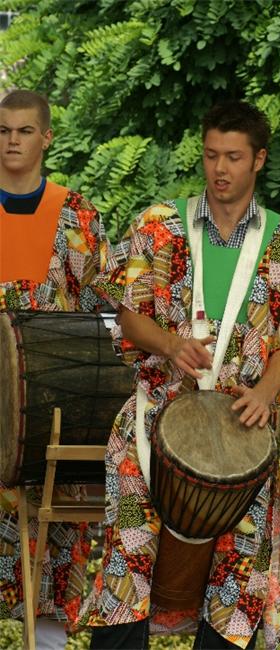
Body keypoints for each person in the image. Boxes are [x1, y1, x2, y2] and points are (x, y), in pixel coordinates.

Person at [76, 100, 280, 649]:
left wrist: (266, 392)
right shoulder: (158, 225)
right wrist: (171, 344)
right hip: (152, 426)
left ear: (259, 160)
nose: (220, 169)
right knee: (128, 568)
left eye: (234, 157)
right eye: (211, 155)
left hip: (243, 436)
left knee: (238, 584)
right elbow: (128, 315)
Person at [0, 89, 110, 649]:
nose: (11, 141)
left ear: (45, 137)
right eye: (3, 131)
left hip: (56, 420)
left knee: (54, 563)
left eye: (24, 131)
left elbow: (106, 314)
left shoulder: (77, 215)